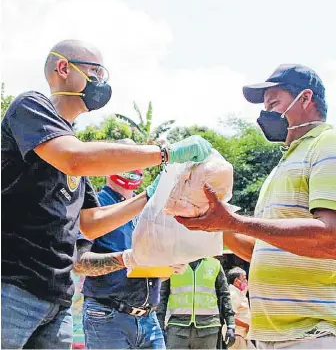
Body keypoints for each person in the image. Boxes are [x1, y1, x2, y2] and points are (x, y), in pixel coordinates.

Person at [1, 39, 212, 349]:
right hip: (12, 288)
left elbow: (91, 222)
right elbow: (76, 158)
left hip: (55, 297)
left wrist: (149, 197)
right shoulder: (31, 107)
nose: (102, 82)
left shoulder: (73, 147)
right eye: (96, 72)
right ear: (63, 68)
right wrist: (166, 153)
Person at [175, 64, 336, 349]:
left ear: (305, 99)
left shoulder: (331, 144)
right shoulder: (283, 164)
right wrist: (216, 226)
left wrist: (234, 223)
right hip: (270, 335)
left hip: (314, 331)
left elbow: (331, 239)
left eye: (273, 103)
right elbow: (261, 250)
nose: (265, 113)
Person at [73, 139, 164, 349]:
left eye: (136, 157)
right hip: (107, 316)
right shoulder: (94, 205)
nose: (132, 165)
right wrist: (125, 258)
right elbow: (79, 263)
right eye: (125, 157)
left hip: (149, 319)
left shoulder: (145, 211)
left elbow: (148, 266)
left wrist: (170, 265)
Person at [157, 257, 236, 349]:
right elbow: (162, 296)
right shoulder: (173, 265)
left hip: (208, 328)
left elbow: (224, 295)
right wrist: (159, 325)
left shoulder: (215, 265)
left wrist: (231, 324)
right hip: (178, 327)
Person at [227, 267, 254, 349]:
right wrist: (247, 326)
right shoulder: (233, 294)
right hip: (237, 335)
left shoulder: (238, 292)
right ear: (236, 281)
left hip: (241, 335)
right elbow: (230, 317)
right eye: (244, 279)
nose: (246, 282)